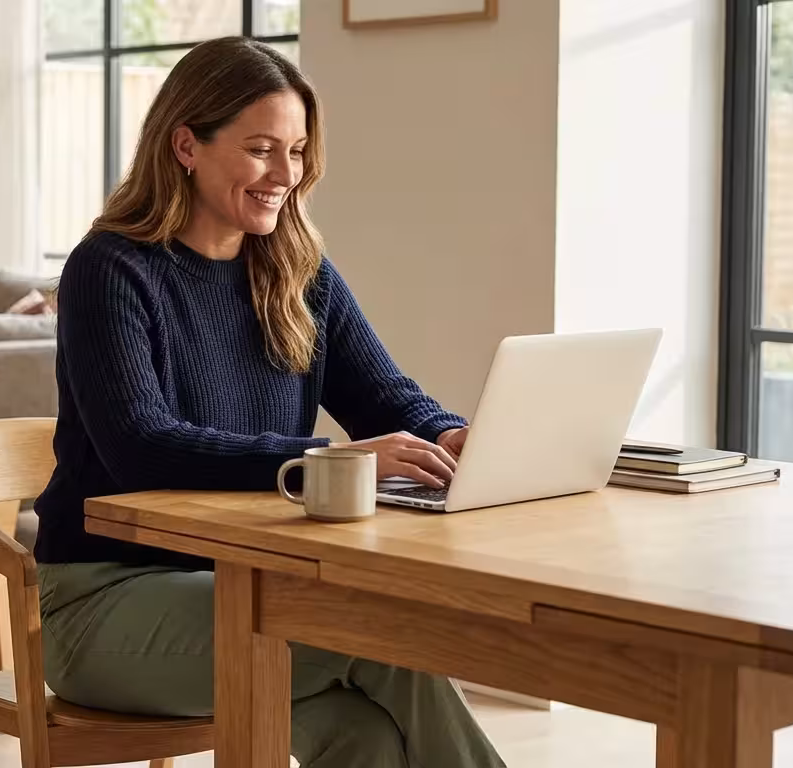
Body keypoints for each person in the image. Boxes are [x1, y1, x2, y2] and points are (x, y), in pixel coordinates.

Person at [31, 37, 507, 768]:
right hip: (107, 604)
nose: (286, 174)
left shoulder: (297, 270)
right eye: (261, 149)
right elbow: (141, 443)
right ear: (185, 145)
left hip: (245, 583)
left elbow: (383, 395)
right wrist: (331, 462)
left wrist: (450, 434)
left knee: (369, 739)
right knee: (387, 633)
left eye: (297, 150)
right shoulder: (112, 268)